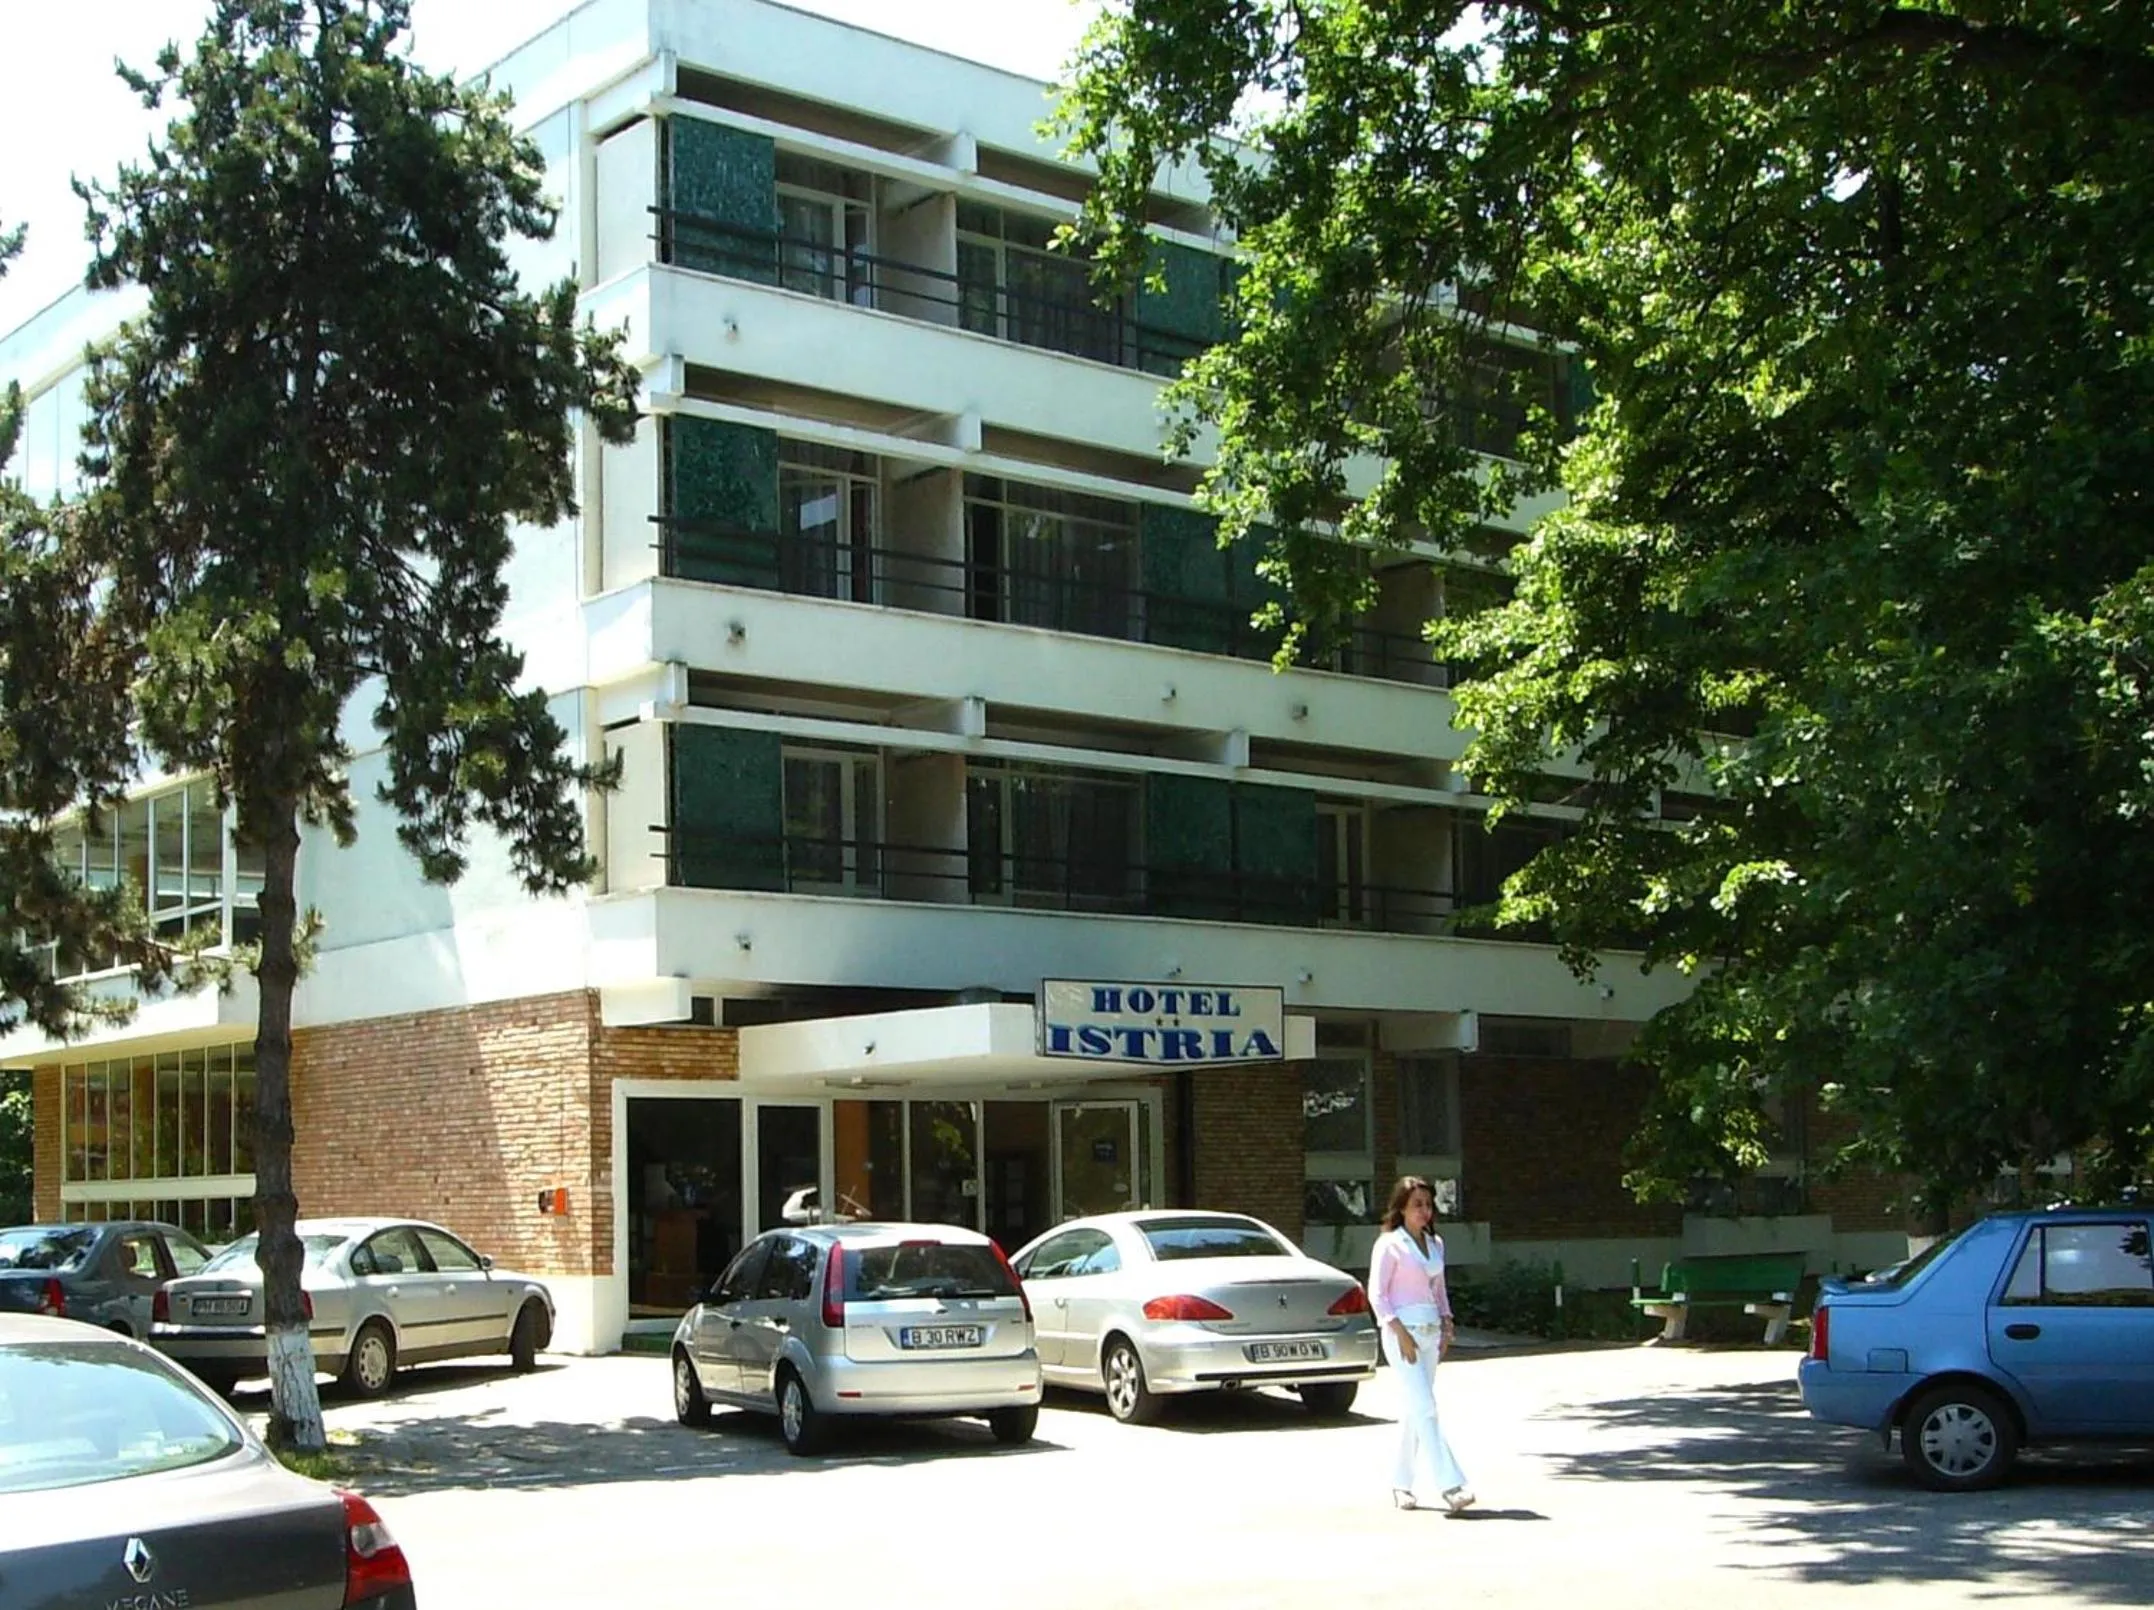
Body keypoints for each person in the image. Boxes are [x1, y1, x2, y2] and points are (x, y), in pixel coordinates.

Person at [1368, 1174, 1475, 1513]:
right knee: (1427, 1408)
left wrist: (1447, 1322)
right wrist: (1399, 1331)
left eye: (1428, 1205)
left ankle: (1401, 1484)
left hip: (1430, 1332)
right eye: (1417, 1205)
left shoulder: (1435, 1244)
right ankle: (1451, 1485)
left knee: (1417, 1410)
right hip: (1404, 1335)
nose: (1424, 1211)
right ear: (1400, 1207)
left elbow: (1438, 1290)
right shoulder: (1389, 1244)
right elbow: (1377, 1294)